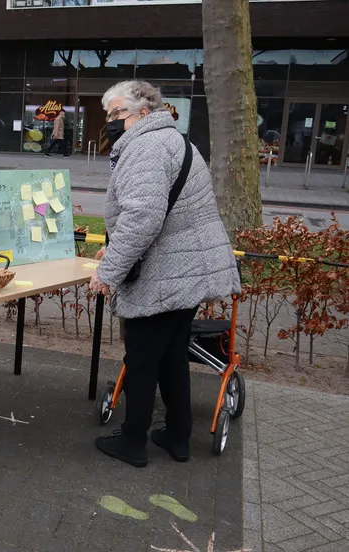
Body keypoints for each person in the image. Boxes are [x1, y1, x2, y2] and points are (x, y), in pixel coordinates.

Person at [89, 80, 240, 468]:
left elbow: (143, 217)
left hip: (167, 273)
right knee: (172, 354)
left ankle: (133, 442)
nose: (109, 121)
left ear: (142, 113)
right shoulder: (175, 141)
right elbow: (164, 214)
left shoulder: (146, 147)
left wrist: (108, 271)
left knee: (141, 358)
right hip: (188, 269)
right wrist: (118, 244)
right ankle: (177, 436)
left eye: (116, 113)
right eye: (107, 114)